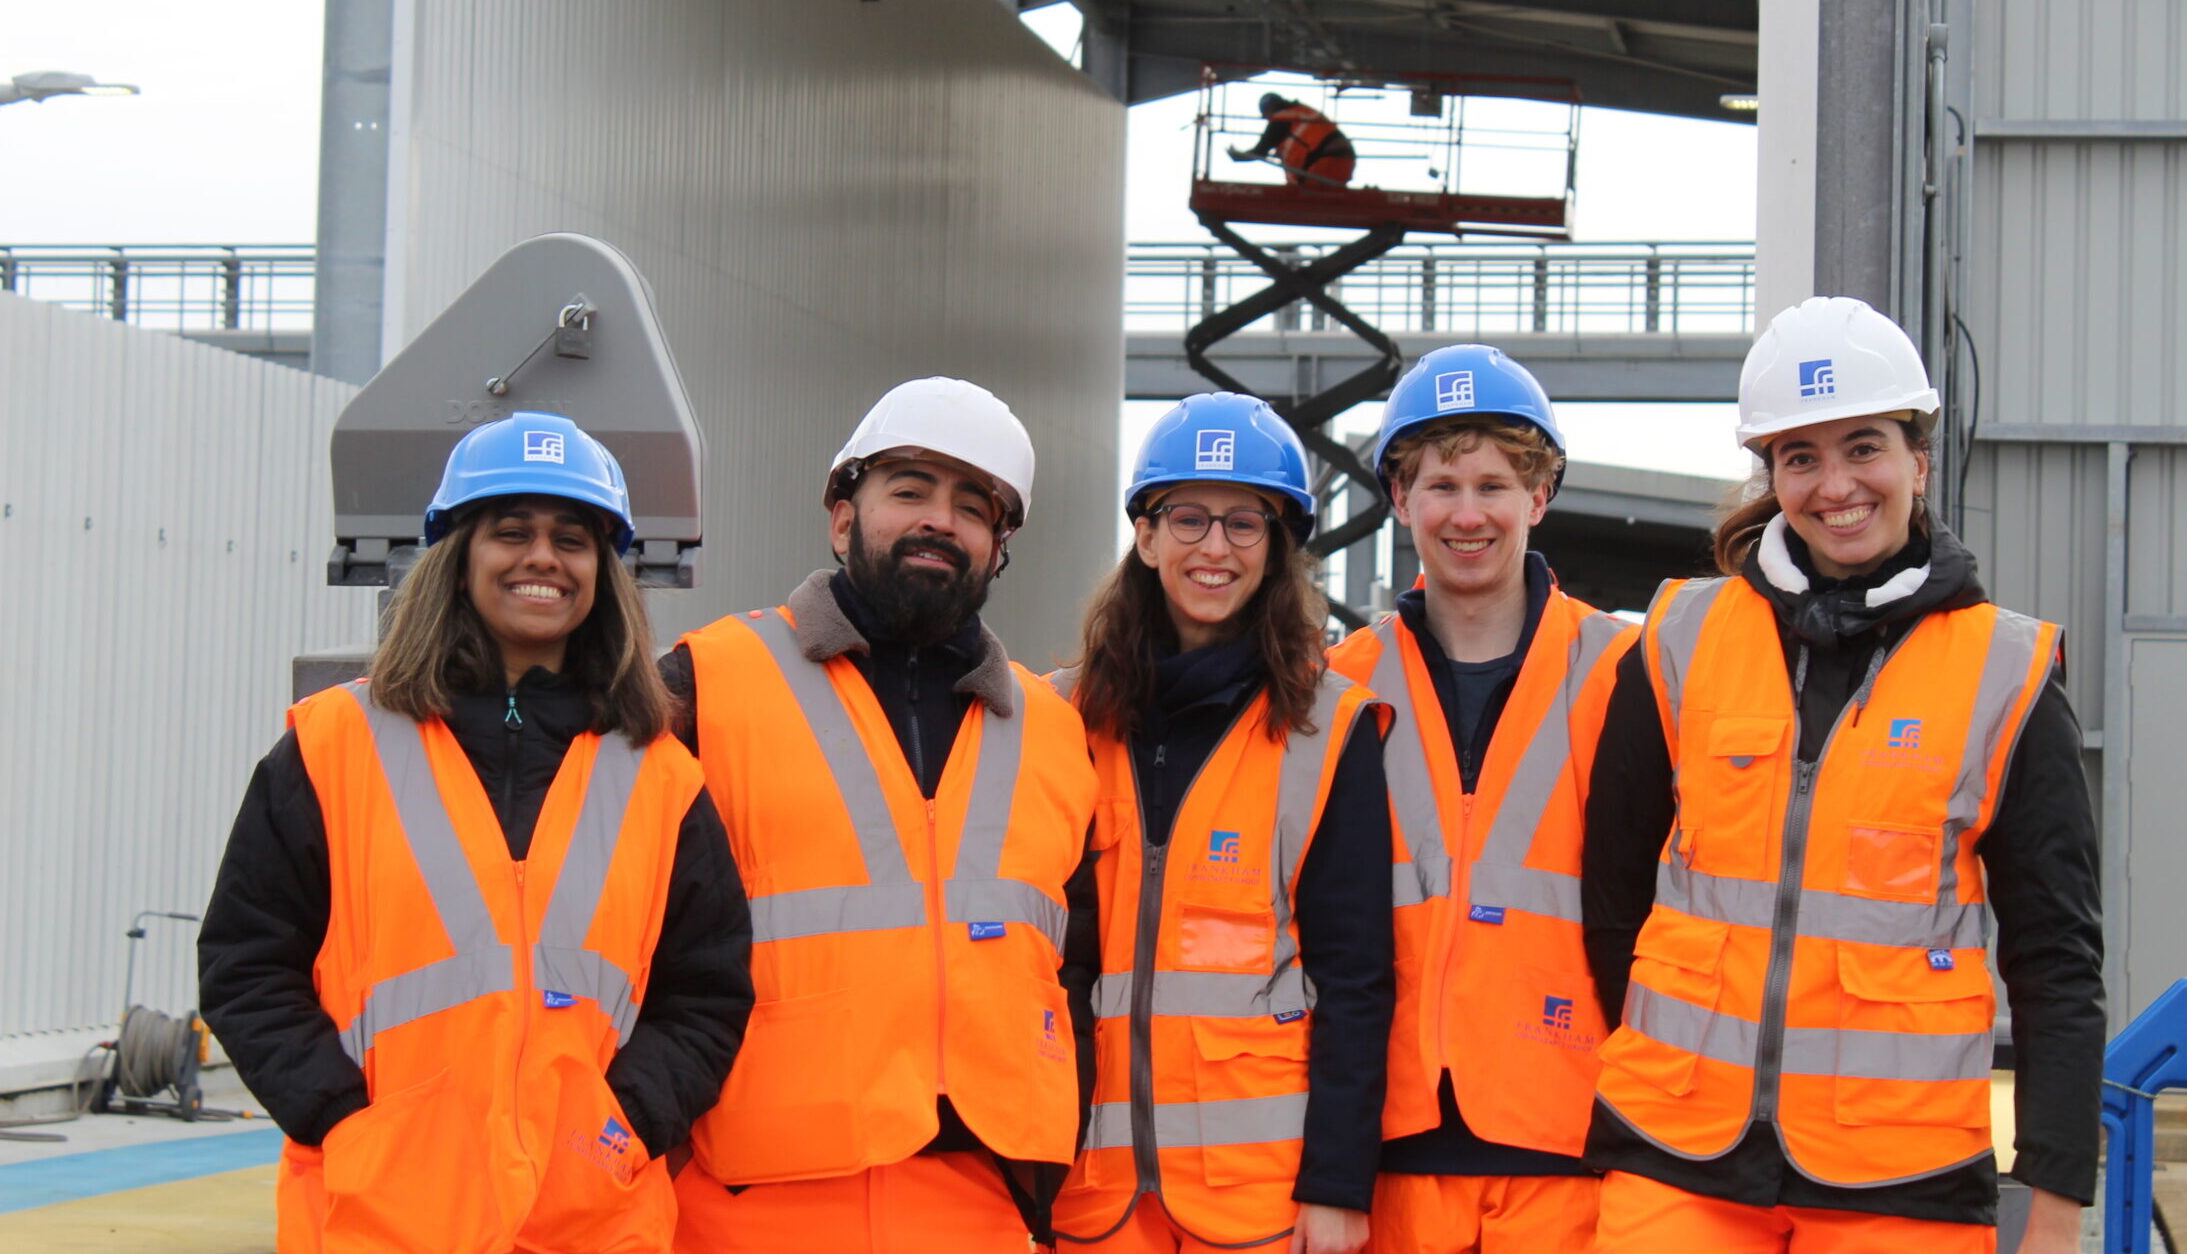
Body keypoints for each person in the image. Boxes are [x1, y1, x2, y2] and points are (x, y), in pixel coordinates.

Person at [1578, 297, 2104, 1254]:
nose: (1835, 486)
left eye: (1864, 447)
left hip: (1901, 1178)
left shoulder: (2007, 672)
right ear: (1772, 474)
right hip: (1676, 1157)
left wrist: (2056, 1196)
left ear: (1918, 460)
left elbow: (2056, 957)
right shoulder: (1679, 639)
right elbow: (1612, 892)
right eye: (1800, 457)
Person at [199, 411, 754, 1254]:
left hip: (591, 1222)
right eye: (512, 532)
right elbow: (246, 966)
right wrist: (345, 1122)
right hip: (378, 1219)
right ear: (457, 559)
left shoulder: (661, 777)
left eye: (572, 539)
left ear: (602, 573)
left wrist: (623, 1129)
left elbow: (708, 994)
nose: (543, 558)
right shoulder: (333, 746)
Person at [657, 377, 1099, 1254]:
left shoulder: (1054, 731)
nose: (940, 521)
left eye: (973, 507)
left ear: (998, 550)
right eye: (909, 491)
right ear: (842, 518)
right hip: (749, 1205)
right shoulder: (704, 687)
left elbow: (1077, 965)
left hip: (982, 1206)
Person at [1051, 392, 1396, 1254]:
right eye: (1188, 518)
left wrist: (1336, 1185)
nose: (1214, 547)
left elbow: (1356, 975)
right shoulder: (1065, 719)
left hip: (1258, 1200)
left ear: (1277, 547)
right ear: (1146, 535)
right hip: (1092, 1192)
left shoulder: (1328, 727)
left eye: (1245, 523)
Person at [1325, 346, 1635, 1254]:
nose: (1468, 514)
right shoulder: (1338, 688)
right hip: (1390, 1153)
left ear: (1539, 496)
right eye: (1442, 486)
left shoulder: (1627, 674)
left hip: (1571, 1146)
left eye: (1494, 485)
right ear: (1399, 498)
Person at [1228, 91, 1356, 188]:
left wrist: (1238, 156)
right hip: (1346, 164)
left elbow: (1260, 151)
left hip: (1322, 167)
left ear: (1268, 110)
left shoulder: (1281, 120)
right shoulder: (1303, 112)